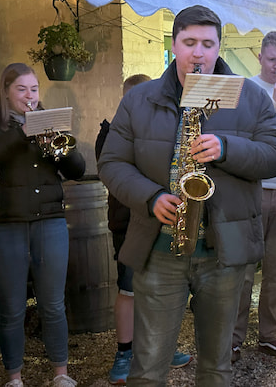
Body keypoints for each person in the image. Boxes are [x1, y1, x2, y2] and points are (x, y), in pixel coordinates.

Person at [97, 5, 276, 386]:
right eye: (189, 42)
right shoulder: (140, 99)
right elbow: (112, 163)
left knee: (217, 365)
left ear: (219, 47)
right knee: (148, 366)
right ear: (173, 45)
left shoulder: (251, 97)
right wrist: (151, 198)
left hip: (223, 254)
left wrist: (226, 148)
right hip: (160, 251)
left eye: (207, 43)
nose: (198, 53)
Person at [0, 63, 86, 387]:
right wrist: (20, 134)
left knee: (53, 303)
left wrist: (60, 145)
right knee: (11, 307)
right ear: (6, 91)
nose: (30, 96)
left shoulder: (49, 121)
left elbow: (77, 169)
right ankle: (13, 377)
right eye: (21, 89)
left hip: (49, 221)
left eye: (34, 90)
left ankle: (61, 375)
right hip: (4, 224)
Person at [94, 74, 192, 385]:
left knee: (162, 293)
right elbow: (115, 170)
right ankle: (125, 352)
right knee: (129, 289)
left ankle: (162, 346)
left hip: (163, 223)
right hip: (129, 222)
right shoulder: (109, 132)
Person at [231, 31, 276, 363]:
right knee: (244, 268)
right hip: (252, 189)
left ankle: (269, 337)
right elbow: (243, 136)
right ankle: (233, 338)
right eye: (271, 59)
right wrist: (272, 107)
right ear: (260, 57)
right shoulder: (245, 90)